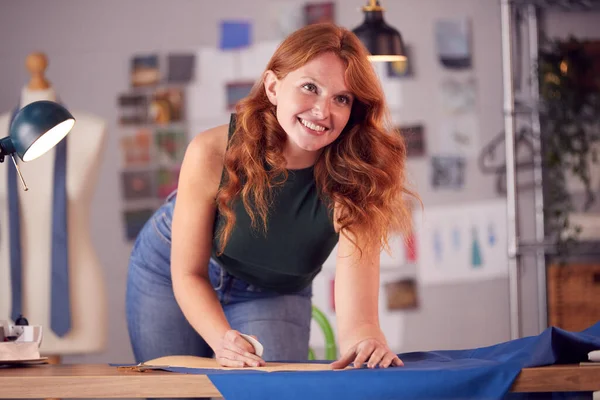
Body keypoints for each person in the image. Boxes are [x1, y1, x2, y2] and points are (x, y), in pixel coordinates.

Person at [125, 22, 417, 372]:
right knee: (170, 392)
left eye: (341, 98)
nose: (323, 112)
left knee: (270, 391)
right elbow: (188, 273)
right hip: (173, 268)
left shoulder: (359, 181)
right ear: (273, 87)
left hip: (274, 289)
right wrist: (222, 340)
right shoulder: (210, 151)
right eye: (310, 87)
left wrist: (368, 344)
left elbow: (359, 320)